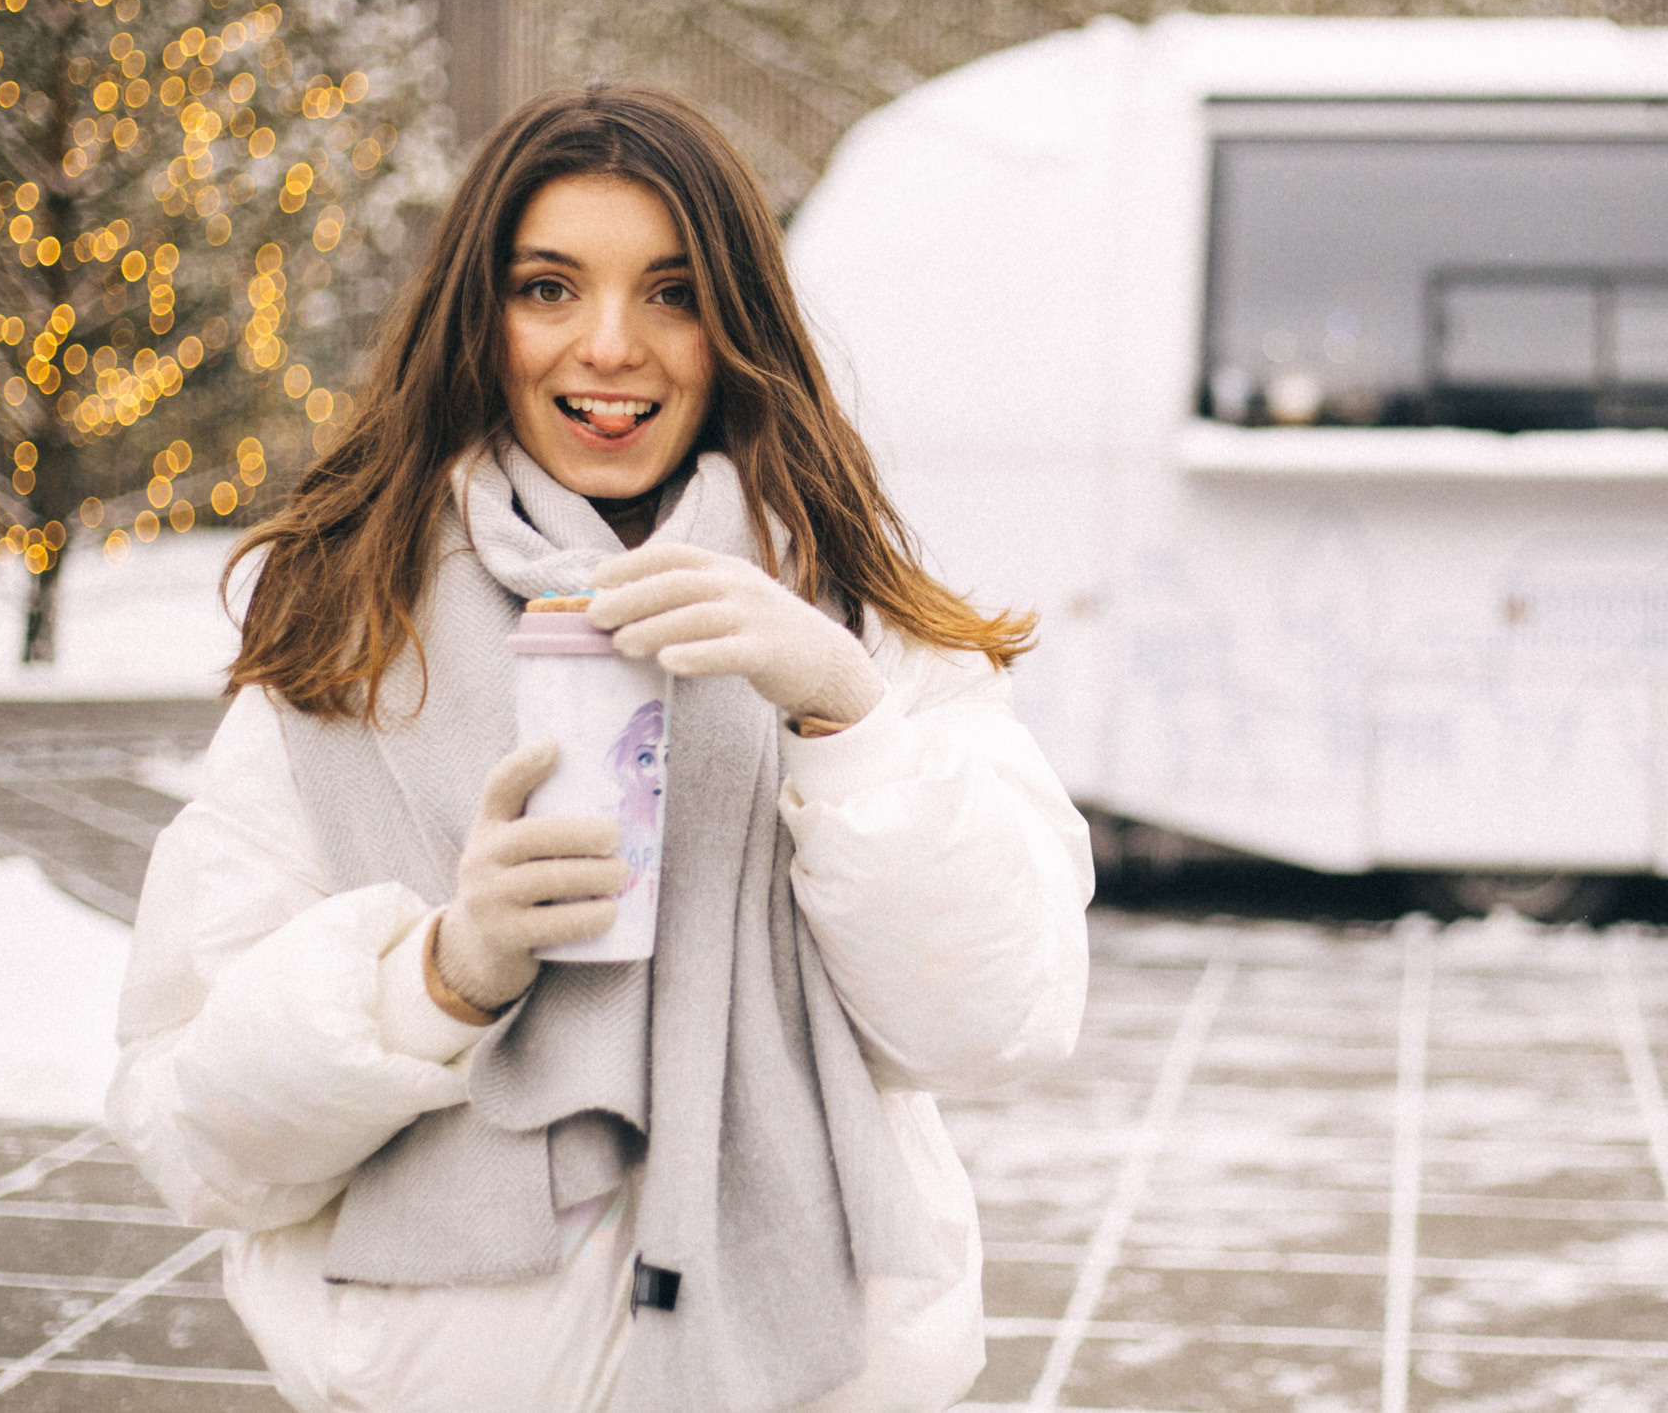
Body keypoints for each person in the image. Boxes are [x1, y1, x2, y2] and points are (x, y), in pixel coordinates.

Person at [108, 86, 1093, 1413]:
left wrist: (845, 724)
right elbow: (194, 1134)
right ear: (481, 318)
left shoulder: (855, 612)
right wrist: (439, 977)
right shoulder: (352, 633)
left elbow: (992, 1026)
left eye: (673, 293)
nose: (612, 346)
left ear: (735, 325)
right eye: (551, 288)